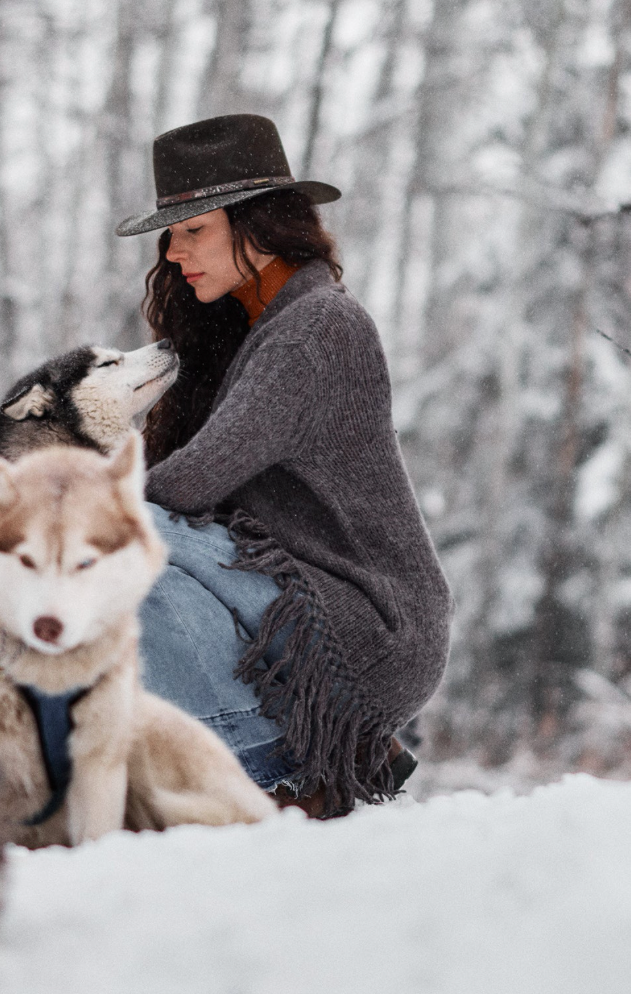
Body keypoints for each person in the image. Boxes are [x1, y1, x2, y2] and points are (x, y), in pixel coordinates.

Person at [113, 114, 453, 817]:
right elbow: (121, 442)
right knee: (123, 543)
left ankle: (273, 769)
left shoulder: (321, 327)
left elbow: (187, 484)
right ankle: (278, 757)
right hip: (291, 596)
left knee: (122, 537)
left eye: (193, 230)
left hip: (367, 620)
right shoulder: (243, 331)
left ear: (261, 225)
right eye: (170, 236)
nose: (174, 253)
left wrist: (41, 510)